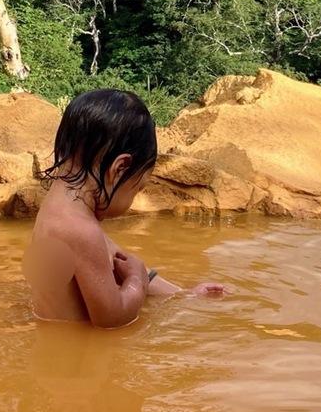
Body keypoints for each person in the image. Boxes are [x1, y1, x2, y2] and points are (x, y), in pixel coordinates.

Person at [22, 88, 226, 326]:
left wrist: (184, 295)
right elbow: (112, 318)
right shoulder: (82, 231)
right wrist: (136, 282)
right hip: (78, 350)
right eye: (138, 188)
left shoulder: (57, 211)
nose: (132, 200)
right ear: (119, 169)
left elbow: (121, 262)